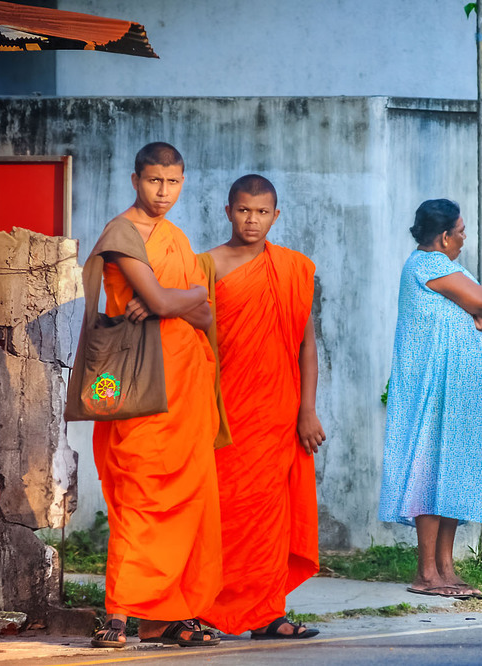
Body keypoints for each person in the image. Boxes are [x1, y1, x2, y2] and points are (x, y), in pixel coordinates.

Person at [90, 142, 223, 648]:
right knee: (140, 498)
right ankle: (118, 614)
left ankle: (166, 618)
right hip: (137, 382)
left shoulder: (176, 239)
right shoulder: (121, 234)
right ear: (135, 180)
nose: (163, 192)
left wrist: (176, 303)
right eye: (153, 181)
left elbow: (204, 317)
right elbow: (171, 300)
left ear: (182, 182)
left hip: (183, 380)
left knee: (187, 501)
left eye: (172, 182)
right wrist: (183, 299)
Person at [198, 174, 325, 639]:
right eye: (244, 210)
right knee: (218, 511)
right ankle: (203, 608)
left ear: (277, 214)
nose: (253, 220)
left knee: (269, 517)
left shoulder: (292, 268)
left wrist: (307, 410)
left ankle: (269, 614)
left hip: (277, 413)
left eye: (262, 212)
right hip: (222, 412)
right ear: (228, 211)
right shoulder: (205, 265)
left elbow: (306, 345)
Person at [378, 198, 482, 599]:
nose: (465, 238)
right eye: (461, 231)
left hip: (459, 392)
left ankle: (446, 570)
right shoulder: (429, 265)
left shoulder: (450, 268)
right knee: (430, 473)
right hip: (436, 389)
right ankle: (427, 574)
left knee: (452, 474)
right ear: (445, 235)